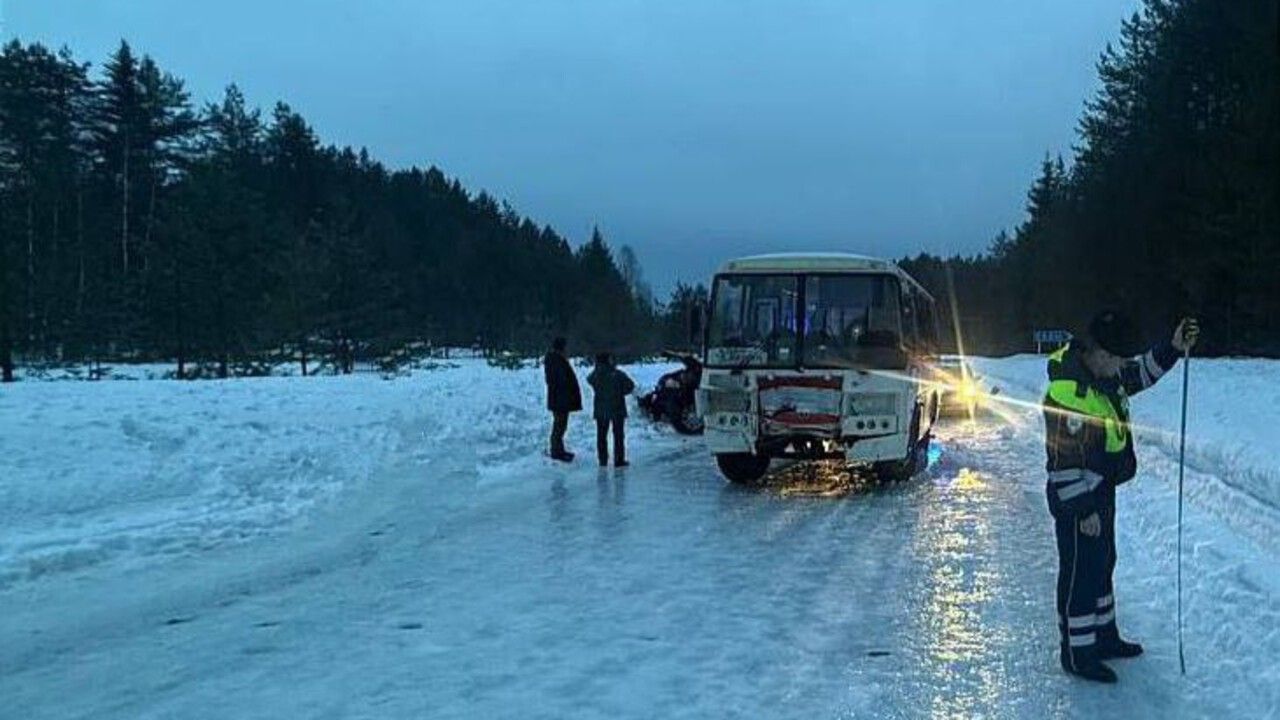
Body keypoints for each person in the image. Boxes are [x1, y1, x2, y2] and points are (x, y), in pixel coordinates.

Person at [1043, 311, 1199, 683]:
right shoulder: (1068, 394)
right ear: (1094, 352)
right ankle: (1078, 654)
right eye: (1113, 359)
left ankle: (1105, 638)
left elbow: (1140, 372)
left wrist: (1174, 348)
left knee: (1102, 563)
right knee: (1081, 573)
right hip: (1078, 498)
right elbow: (1061, 464)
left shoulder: (1105, 376)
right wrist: (1083, 510)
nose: (1119, 367)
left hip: (1101, 489)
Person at [587, 353, 636, 468]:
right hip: (617, 408)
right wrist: (620, 392)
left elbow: (589, 380)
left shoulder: (595, 375)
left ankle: (602, 460)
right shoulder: (617, 374)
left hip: (600, 409)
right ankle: (619, 460)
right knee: (618, 435)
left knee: (601, 435)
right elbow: (630, 386)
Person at [543, 337, 582, 462]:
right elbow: (561, 381)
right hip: (560, 399)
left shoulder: (555, 359)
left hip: (559, 398)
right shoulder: (556, 360)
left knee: (560, 425)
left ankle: (559, 450)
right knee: (559, 426)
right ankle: (556, 451)